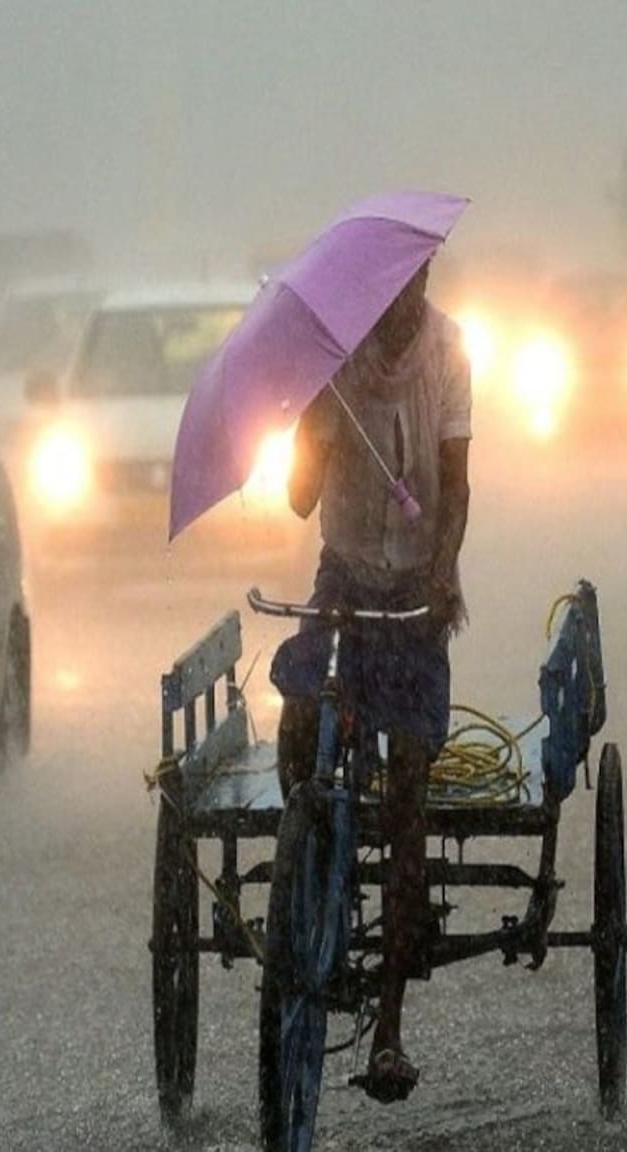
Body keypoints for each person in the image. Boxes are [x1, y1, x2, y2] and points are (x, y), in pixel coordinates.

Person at [271, 260, 471, 1104]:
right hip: (346, 580)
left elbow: (457, 485)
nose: (405, 305)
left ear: (426, 280)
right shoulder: (334, 361)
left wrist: (443, 569)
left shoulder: (450, 352)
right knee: (297, 717)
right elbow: (297, 501)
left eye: (416, 287)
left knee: (408, 804)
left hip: (417, 596)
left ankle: (388, 1028)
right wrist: (313, 424)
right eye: (391, 293)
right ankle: (312, 870)